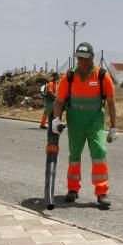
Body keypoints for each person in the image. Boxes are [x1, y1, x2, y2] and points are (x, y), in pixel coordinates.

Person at [51, 43, 118, 209]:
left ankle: (102, 192)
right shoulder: (69, 77)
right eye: (78, 58)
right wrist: (56, 120)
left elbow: (111, 102)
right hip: (75, 121)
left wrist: (113, 127)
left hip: (95, 122)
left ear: (92, 58)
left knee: (99, 152)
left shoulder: (102, 76)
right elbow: (59, 102)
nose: (80, 61)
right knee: (74, 155)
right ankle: (73, 190)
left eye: (84, 58)